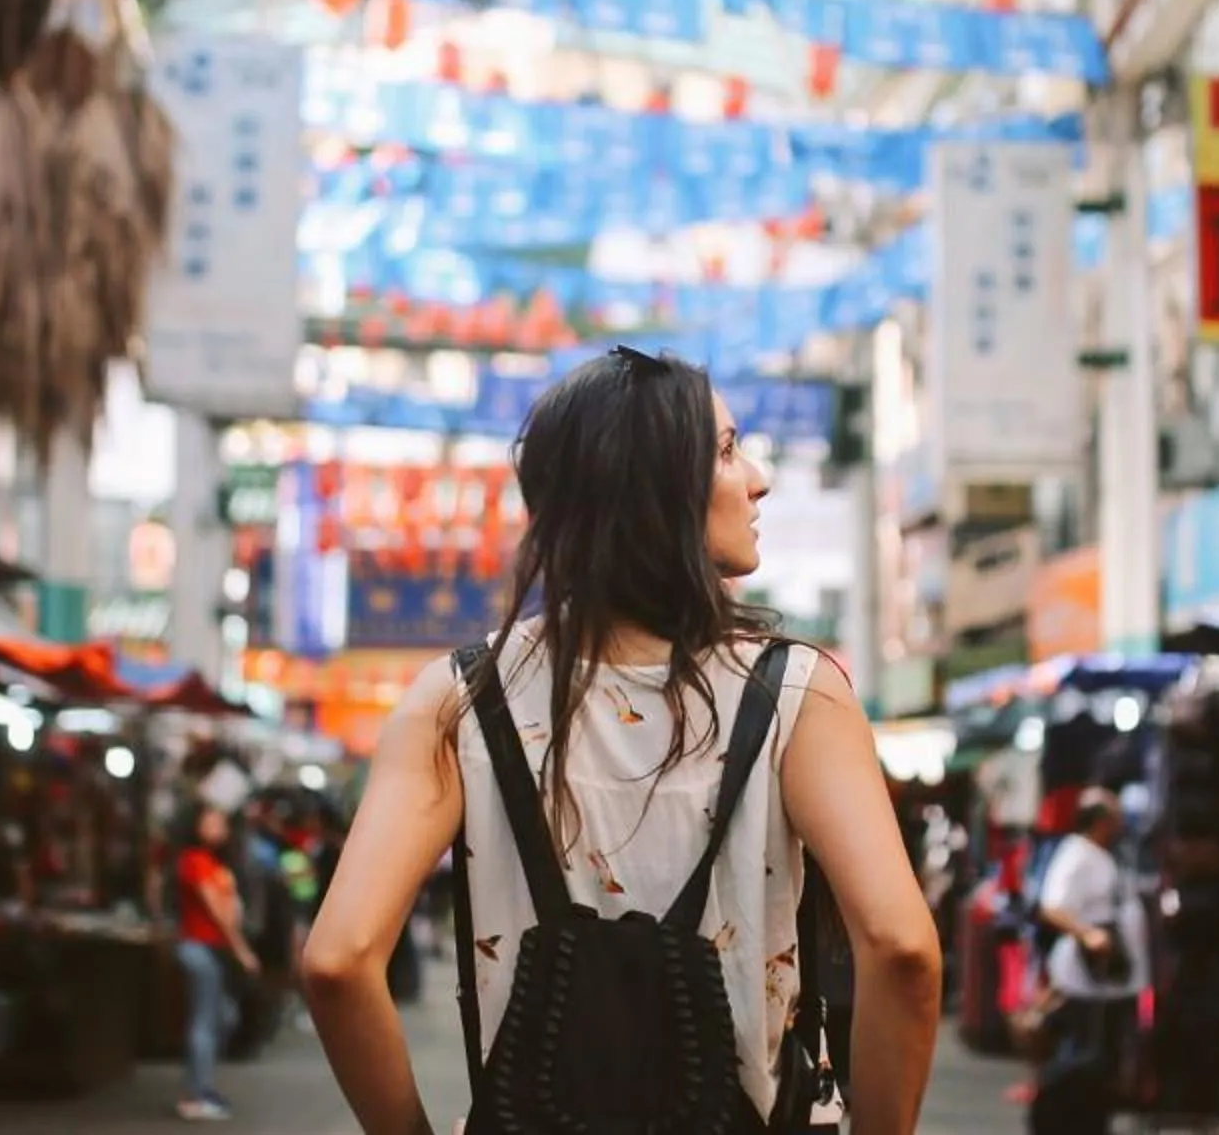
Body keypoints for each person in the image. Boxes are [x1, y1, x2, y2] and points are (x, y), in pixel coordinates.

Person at [300, 348, 944, 1135]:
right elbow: (904, 950)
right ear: (656, 490)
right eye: (729, 450)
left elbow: (337, 961)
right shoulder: (796, 693)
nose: (760, 479)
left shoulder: (459, 698)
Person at [1029, 789, 1143, 1135]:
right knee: (1079, 1054)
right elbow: (1051, 906)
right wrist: (1087, 934)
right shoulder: (1076, 854)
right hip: (1084, 977)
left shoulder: (1102, 855)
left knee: (1099, 1055)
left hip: (1106, 980)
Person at [174, 806, 261, 1123]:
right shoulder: (195, 862)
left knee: (221, 1017)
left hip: (213, 951)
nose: (219, 826)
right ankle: (195, 1095)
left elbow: (232, 910)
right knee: (206, 1022)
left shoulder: (216, 865)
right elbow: (218, 913)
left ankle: (200, 1087)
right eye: (211, 821)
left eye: (221, 821)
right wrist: (242, 951)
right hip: (200, 949)